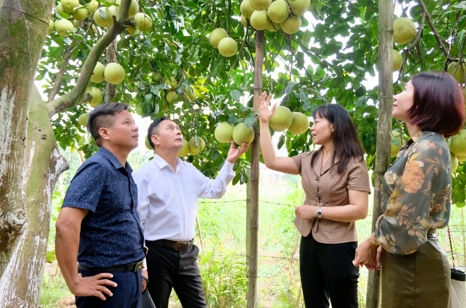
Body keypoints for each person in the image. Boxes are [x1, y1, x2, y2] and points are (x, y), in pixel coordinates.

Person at [353, 71, 466, 307]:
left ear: (425, 99)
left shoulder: (427, 148)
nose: (396, 95)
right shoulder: (421, 145)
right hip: (408, 257)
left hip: (414, 264)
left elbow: (406, 216)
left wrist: (371, 242)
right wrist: (386, 242)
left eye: (405, 89)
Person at [258, 93, 371, 308]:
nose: (312, 127)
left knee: (344, 304)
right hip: (309, 240)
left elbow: (360, 210)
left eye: (317, 122)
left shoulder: (354, 163)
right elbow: (271, 161)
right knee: (314, 302)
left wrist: (317, 211)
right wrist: (264, 123)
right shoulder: (308, 159)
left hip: (339, 245)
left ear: (334, 126)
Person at [133, 117, 250, 308]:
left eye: (178, 128)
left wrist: (229, 162)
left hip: (187, 253)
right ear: (155, 139)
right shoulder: (144, 176)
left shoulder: (189, 171)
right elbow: (137, 225)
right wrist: (143, 266)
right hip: (157, 255)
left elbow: (215, 190)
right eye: (171, 128)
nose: (178, 131)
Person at [55, 103, 148, 308]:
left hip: (130, 278)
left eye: (134, 122)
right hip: (106, 282)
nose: (135, 127)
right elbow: (66, 224)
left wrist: (139, 269)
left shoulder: (124, 171)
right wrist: (75, 283)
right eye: (127, 122)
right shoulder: (98, 168)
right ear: (104, 132)